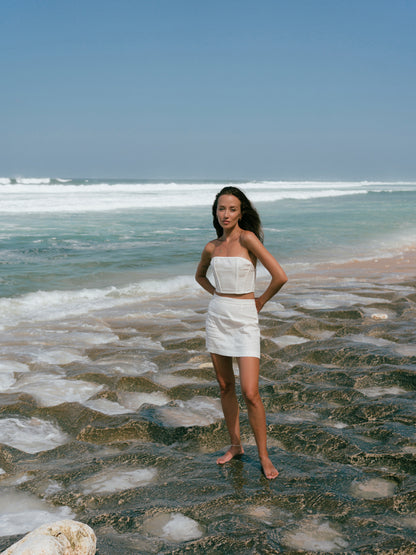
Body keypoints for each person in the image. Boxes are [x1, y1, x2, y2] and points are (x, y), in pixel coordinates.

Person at [195, 186, 288, 479]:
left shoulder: (248, 239)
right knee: (225, 387)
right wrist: (218, 295)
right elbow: (199, 276)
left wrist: (258, 301)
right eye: (221, 209)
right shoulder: (212, 247)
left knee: (250, 392)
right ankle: (235, 445)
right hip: (218, 318)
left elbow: (280, 276)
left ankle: (263, 454)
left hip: (245, 318)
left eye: (232, 209)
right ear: (215, 212)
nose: (226, 214)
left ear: (241, 212)